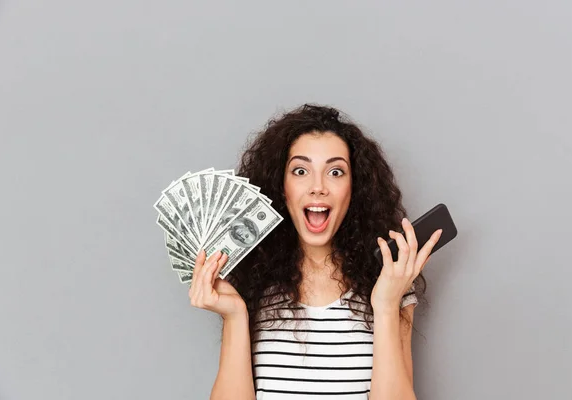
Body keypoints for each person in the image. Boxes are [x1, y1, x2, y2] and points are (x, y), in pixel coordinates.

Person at [188, 104, 443, 400]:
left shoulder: (391, 280)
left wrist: (386, 306)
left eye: (335, 172)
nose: (318, 187)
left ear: (354, 188)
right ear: (283, 187)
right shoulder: (250, 282)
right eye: (300, 171)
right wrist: (234, 316)